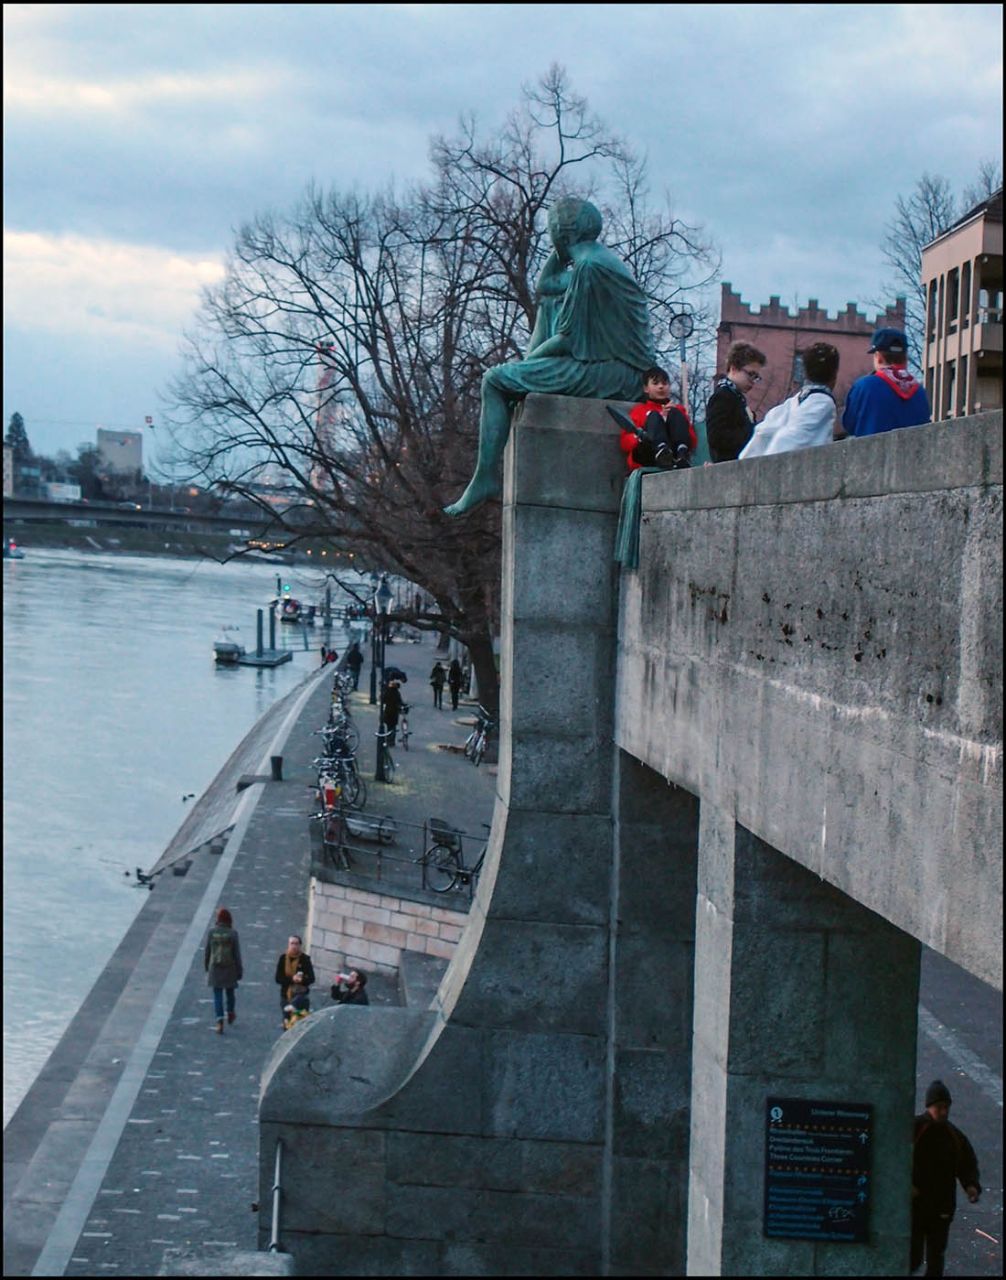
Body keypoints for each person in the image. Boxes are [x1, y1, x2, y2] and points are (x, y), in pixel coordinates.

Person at [444, 197, 654, 515]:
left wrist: (525, 367)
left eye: (552, 229)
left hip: (616, 373)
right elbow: (547, 286)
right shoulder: (596, 260)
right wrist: (562, 249)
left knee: (495, 380)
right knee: (549, 305)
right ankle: (520, 390)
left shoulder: (589, 268)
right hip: (615, 366)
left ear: (560, 232)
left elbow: (565, 341)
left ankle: (485, 478)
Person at [911, 1079, 981, 1277]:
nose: (943, 1112)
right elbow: (896, 1158)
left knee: (936, 1258)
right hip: (916, 1206)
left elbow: (966, 1163)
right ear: (929, 1106)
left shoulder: (954, 1136)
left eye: (946, 1107)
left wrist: (971, 1185)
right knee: (913, 1256)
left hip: (942, 1207)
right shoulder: (916, 1129)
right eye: (939, 1107)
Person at [739, 342, 842, 459]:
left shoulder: (790, 404)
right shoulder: (823, 402)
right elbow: (791, 437)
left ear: (805, 372)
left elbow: (763, 434)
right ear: (834, 374)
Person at [843, 327, 931, 438]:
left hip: (870, 453)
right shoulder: (919, 392)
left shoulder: (863, 386)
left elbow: (849, 425)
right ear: (905, 358)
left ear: (878, 357)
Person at [611, 366, 697, 471]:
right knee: (654, 416)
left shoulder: (678, 410)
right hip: (648, 454)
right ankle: (662, 450)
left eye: (664, 383)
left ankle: (681, 453)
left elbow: (692, 440)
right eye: (655, 383)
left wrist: (674, 419)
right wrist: (642, 434)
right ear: (646, 388)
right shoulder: (639, 411)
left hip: (674, 452)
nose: (661, 387)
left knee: (675, 414)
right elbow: (625, 443)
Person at [706, 342, 767, 462]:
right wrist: (752, 433)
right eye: (751, 374)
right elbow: (717, 437)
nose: (753, 381)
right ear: (734, 368)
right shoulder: (723, 397)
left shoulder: (736, 397)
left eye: (756, 377)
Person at [204, 907, 242, 1034]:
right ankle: (230, 1012)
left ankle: (219, 1021)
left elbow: (207, 951)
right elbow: (237, 954)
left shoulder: (211, 932)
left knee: (217, 995)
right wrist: (239, 970)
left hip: (215, 968)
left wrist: (206, 966)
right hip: (230, 967)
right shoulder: (233, 933)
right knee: (230, 993)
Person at [274, 935, 316, 1029]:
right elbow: (278, 978)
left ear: (300, 945)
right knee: (287, 1021)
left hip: (300, 995)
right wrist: (292, 979)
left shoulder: (305, 959)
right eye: (292, 943)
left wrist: (302, 980)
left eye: (296, 944)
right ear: (288, 945)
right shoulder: (283, 958)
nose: (294, 946)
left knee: (299, 1022)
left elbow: (312, 978)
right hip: (286, 995)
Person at [382, 678, 403, 746]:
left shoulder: (387, 692)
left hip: (388, 712)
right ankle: (392, 741)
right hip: (394, 712)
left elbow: (383, 700)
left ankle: (389, 740)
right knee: (393, 727)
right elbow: (400, 702)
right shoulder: (397, 693)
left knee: (389, 727)